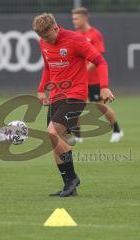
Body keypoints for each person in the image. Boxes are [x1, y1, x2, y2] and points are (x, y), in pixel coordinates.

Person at [32, 13, 114, 197]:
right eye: (41, 38)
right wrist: (40, 89)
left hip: (75, 95)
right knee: (55, 141)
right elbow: (48, 67)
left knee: (52, 133)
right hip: (56, 97)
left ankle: (73, 178)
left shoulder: (75, 40)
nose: (45, 40)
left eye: (46, 36)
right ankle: (70, 185)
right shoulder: (43, 42)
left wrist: (104, 87)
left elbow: (100, 61)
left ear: (55, 28)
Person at [72, 7, 124, 143]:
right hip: (81, 80)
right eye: (73, 18)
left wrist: (82, 73)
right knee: (75, 105)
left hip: (94, 79)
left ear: (85, 18)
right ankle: (77, 135)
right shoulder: (75, 35)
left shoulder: (95, 34)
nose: (74, 21)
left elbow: (98, 60)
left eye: (76, 18)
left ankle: (117, 130)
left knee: (101, 106)